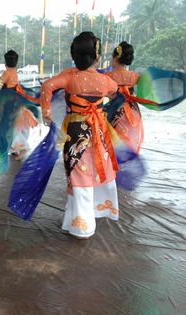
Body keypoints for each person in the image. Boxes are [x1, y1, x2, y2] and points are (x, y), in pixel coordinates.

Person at [41, 32, 119, 239]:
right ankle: (73, 220)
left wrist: (46, 114)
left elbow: (47, 86)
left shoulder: (70, 77)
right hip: (99, 131)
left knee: (78, 175)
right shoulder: (104, 81)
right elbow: (115, 91)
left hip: (76, 133)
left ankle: (82, 226)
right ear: (96, 56)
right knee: (91, 172)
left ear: (74, 55)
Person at [0, 50, 47, 160]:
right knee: (16, 122)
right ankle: (16, 148)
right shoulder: (15, 73)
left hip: (8, 101)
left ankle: (19, 146)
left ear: (5, 61)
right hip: (16, 100)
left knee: (9, 124)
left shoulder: (6, 73)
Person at [105, 42, 143, 154]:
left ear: (115, 57)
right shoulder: (135, 76)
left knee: (113, 146)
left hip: (114, 112)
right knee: (130, 144)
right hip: (133, 113)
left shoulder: (107, 76)